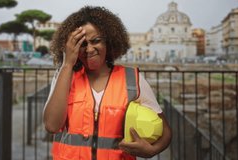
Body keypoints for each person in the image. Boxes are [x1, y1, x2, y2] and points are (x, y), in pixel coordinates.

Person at [43, 6, 172, 160]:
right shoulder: (65, 75)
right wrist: (67, 64)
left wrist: (152, 150)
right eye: (82, 44)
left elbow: (165, 131)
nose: (89, 49)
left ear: (109, 42)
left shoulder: (132, 79)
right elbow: (52, 125)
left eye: (96, 41)